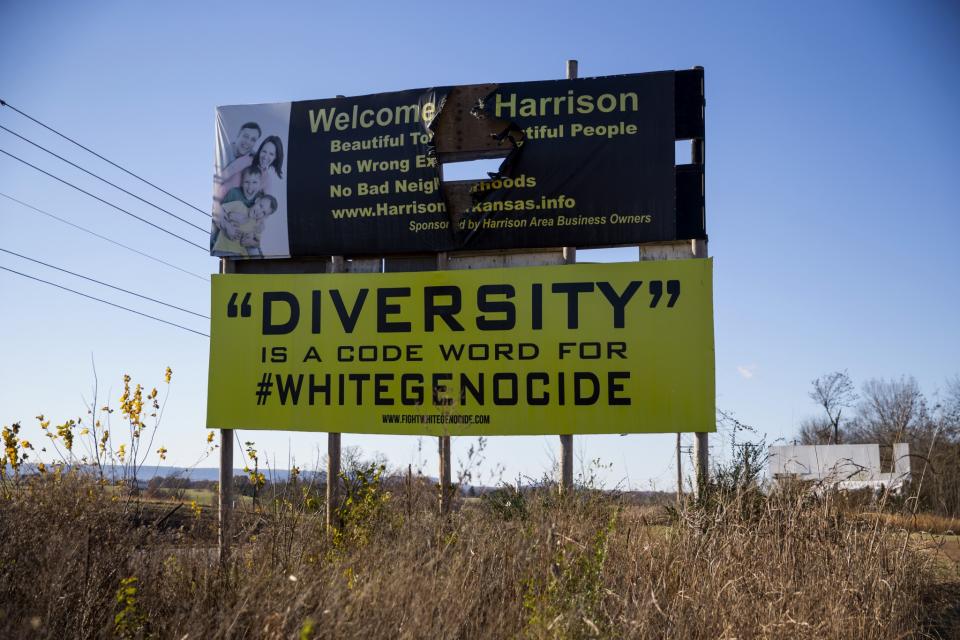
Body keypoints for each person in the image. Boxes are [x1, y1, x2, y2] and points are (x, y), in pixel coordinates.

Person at [216, 135, 285, 201]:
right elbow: (221, 176)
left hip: (234, 209)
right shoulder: (247, 160)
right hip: (219, 199)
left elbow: (269, 204)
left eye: (271, 154)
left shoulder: (267, 179)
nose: (265, 156)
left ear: (275, 157)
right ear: (260, 150)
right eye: (264, 151)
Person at [212, 194, 278, 257]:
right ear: (257, 200)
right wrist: (227, 226)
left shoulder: (257, 226)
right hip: (222, 249)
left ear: (266, 216)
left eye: (263, 213)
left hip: (240, 256)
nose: (259, 212)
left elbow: (258, 243)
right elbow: (217, 211)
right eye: (260, 206)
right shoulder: (239, 205)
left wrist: (250, 242)